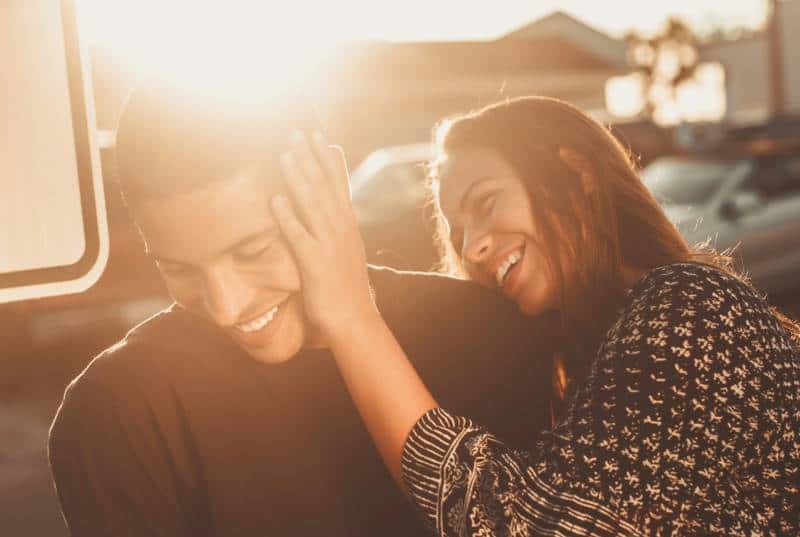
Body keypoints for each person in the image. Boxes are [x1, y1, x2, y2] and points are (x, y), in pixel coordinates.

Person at [47, 81, 561, 536]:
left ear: (329, 188)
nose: (226, 307)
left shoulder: (487, 335)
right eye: (178, 269)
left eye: (253, 251)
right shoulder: (116, 413)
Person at [275, 96, 800, 536]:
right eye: (456, 232)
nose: (473, 246)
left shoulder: (693, 306)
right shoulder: (584, 364)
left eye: (485, 202)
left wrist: (352, 317)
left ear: (577, 173)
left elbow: (531, 523)